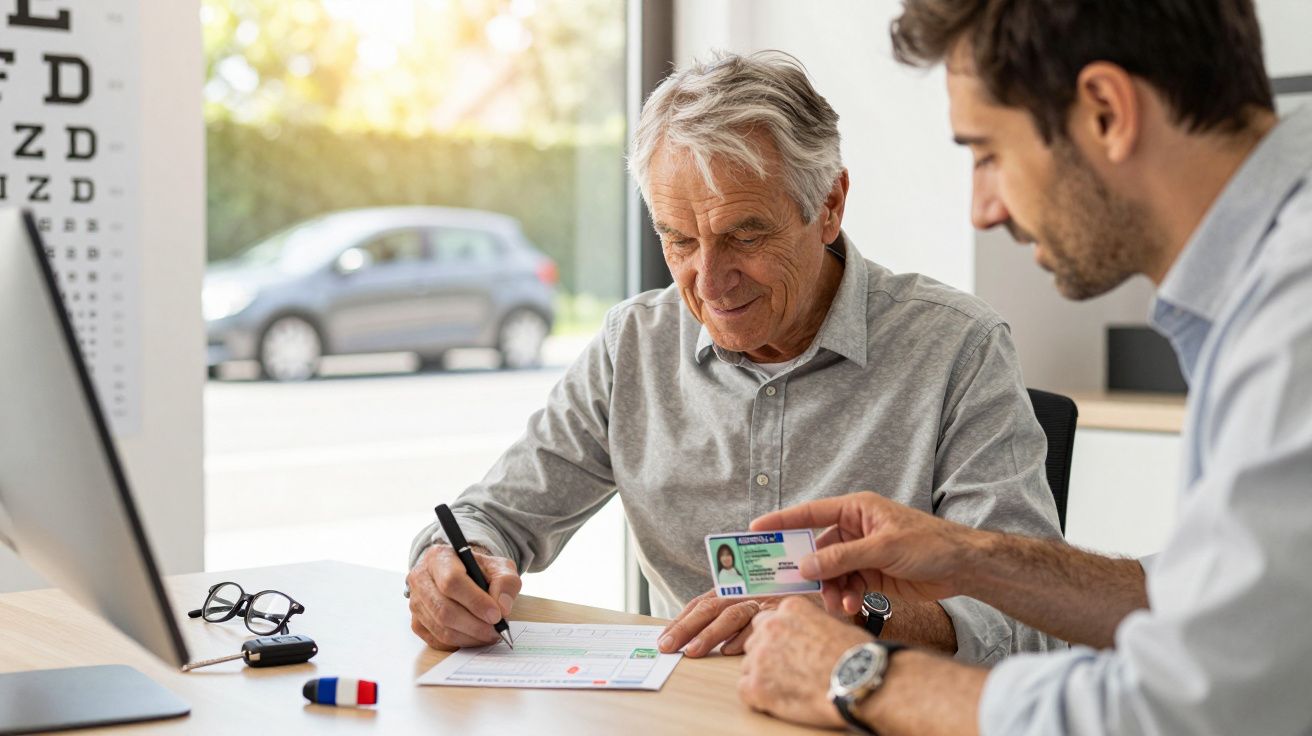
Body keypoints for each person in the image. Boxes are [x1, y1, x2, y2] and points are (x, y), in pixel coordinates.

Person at [736, 2, 1312, 734]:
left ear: (1106, 111)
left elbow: (1190, 709)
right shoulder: (1265, 282)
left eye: (987, 154)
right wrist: (973, 557)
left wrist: (859, 677)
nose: (982, 210)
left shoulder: (1294, 316)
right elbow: (1222, 606)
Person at [406, 50, 1064, 664]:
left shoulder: (957, 348)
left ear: (829, 204)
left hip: (872, 707)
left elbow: (1029, 623)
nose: (710, 282)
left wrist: (859, 613)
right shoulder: (634, 345)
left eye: (744, 236)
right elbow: (486, 519)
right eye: (680, 240)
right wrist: (450, 567)